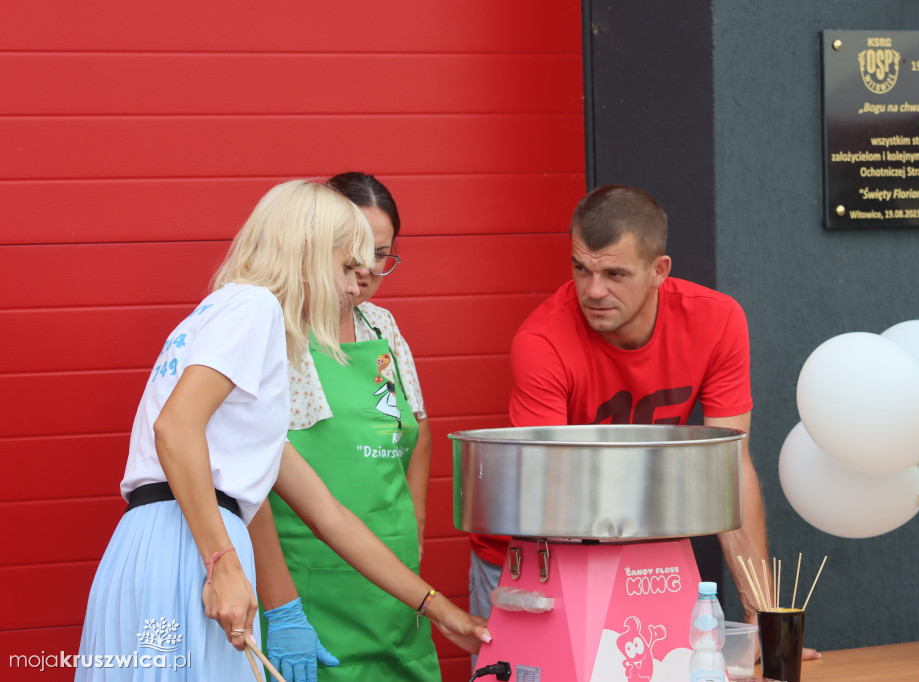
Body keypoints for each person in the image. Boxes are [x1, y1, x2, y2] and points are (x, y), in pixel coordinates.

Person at [76, 179, 488, 681]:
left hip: (157, 541)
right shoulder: (256, 308)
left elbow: (328, 515)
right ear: (310, 252)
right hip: (194, 546)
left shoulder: (219, 313)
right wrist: (223, 563)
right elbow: (175, 427)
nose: (356, 285)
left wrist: (439, 609)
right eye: (346, 266)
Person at [468, 184, 817, 658]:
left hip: (641, 553)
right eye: (580, 268)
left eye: (614, 273)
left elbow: (728, 470)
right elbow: (548, 499)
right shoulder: (542, 339)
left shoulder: (717, 320)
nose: (593, 290)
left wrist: (762, 622)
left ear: (659, 271)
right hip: (532, 555)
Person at [250, 172, 442, 681]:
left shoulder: (383, 327)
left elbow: (416, 430)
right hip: (308, 578)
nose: (369, 270)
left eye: (382, 254)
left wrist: (415, 526)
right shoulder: (276, 329)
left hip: (391, 580)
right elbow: (247, 469)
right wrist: (280, 605)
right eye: (356, 253)